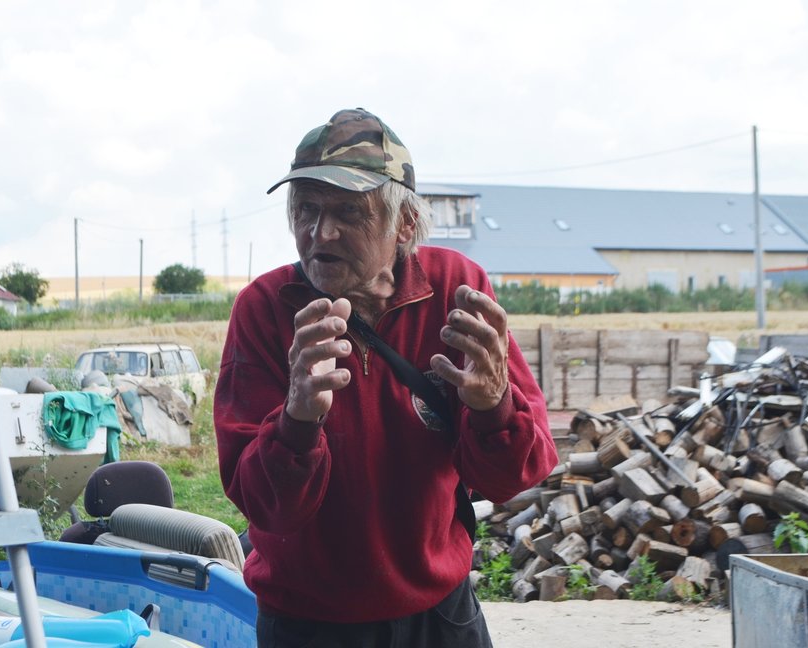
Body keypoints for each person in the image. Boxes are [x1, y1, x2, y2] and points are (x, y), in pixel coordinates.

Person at [214, 107, 558, 647]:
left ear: (406, 225)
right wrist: (298, 420)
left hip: (439, 617)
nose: (319, 232)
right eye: (305, 209)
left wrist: (494, 406)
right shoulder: (264, 310)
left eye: (349, 213)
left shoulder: (456, 290)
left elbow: (514, 475)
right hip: (308, 625)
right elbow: (265, 507)